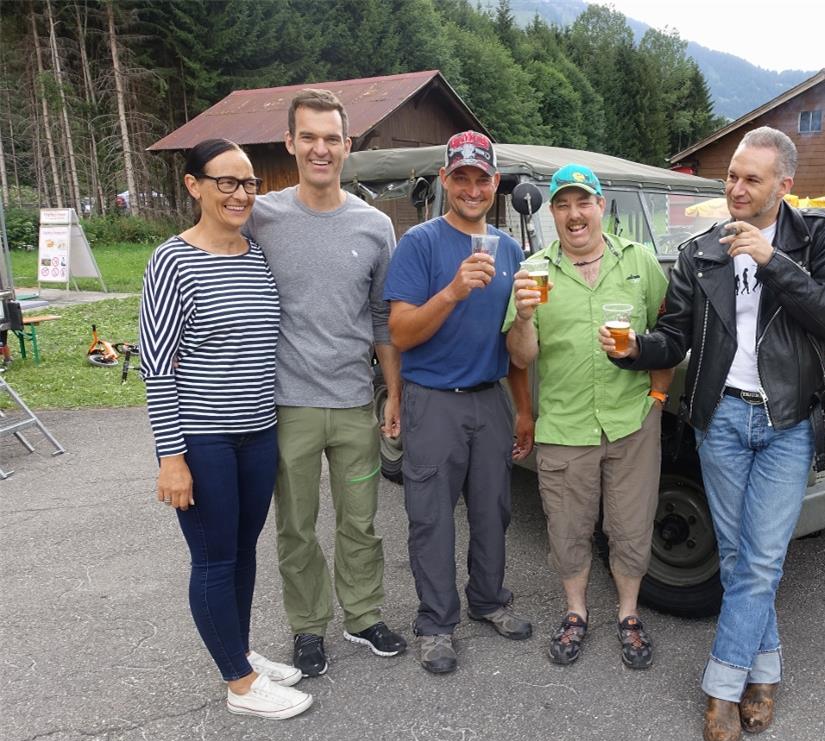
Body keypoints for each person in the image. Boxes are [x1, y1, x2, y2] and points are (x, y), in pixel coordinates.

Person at [603, 126, 825, 741]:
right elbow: (675, 335)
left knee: (763, 559)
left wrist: (773, 263)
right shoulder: (700, 252)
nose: (736, 189)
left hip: (788, 420)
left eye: (751, 180)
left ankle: (722, 686)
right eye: (732, 177)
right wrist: (638, 349)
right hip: (721, 419)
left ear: (784, 185)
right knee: (743, 557)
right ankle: (764, 672)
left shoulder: (821, 236)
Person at [141, 138, 311, 719]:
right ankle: (239, 684)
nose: (241, 194)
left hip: (257, 433)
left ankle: (238, 654)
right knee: (214, 559)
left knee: (242, 551)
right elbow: (158, 366)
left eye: (249, 184)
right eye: (227, 182)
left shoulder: (255, 253)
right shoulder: (172, 261)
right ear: (195, 186)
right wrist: (171, 458)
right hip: (204, 440)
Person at [246, 89, 405, 678]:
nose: (320, 148)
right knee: (296, 526)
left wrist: (394, 395)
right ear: (290, 142)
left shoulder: (374, 224)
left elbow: (382, 318)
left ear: (347, 145)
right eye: (308, 137)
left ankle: (362, 616)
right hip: (286, 404)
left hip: (353, 402)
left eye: (331, 138)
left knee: (361, 521)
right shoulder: (262, 216)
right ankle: (308, 627)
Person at [505, 164, 671, 670]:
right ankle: (576, 612)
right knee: (568, 528)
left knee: (632, 526)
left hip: (632, 421)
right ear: (553, 212)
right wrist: (526, 316)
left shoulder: (640, 261)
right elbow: (520, 357)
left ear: (601, 206)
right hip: (566, 425)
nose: (574, 214)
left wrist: (659, 398)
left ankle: (627, 613)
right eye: (563, 204)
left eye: (583, 202)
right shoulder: (535, 271)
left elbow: (668, 331)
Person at [386, 130, 534, 675]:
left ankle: (489, 600)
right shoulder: (420, 243)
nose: (472, 189)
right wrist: (451, 291)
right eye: (461, 177)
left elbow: (512, 344)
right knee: (431, 519)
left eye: (482, 179)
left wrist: (522, 408)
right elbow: (400, 333)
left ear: (495, 184)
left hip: (489, 398)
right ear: (446, 180)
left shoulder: (511, 248)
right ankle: (435, 624)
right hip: (433, 401)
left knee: (494, 511)